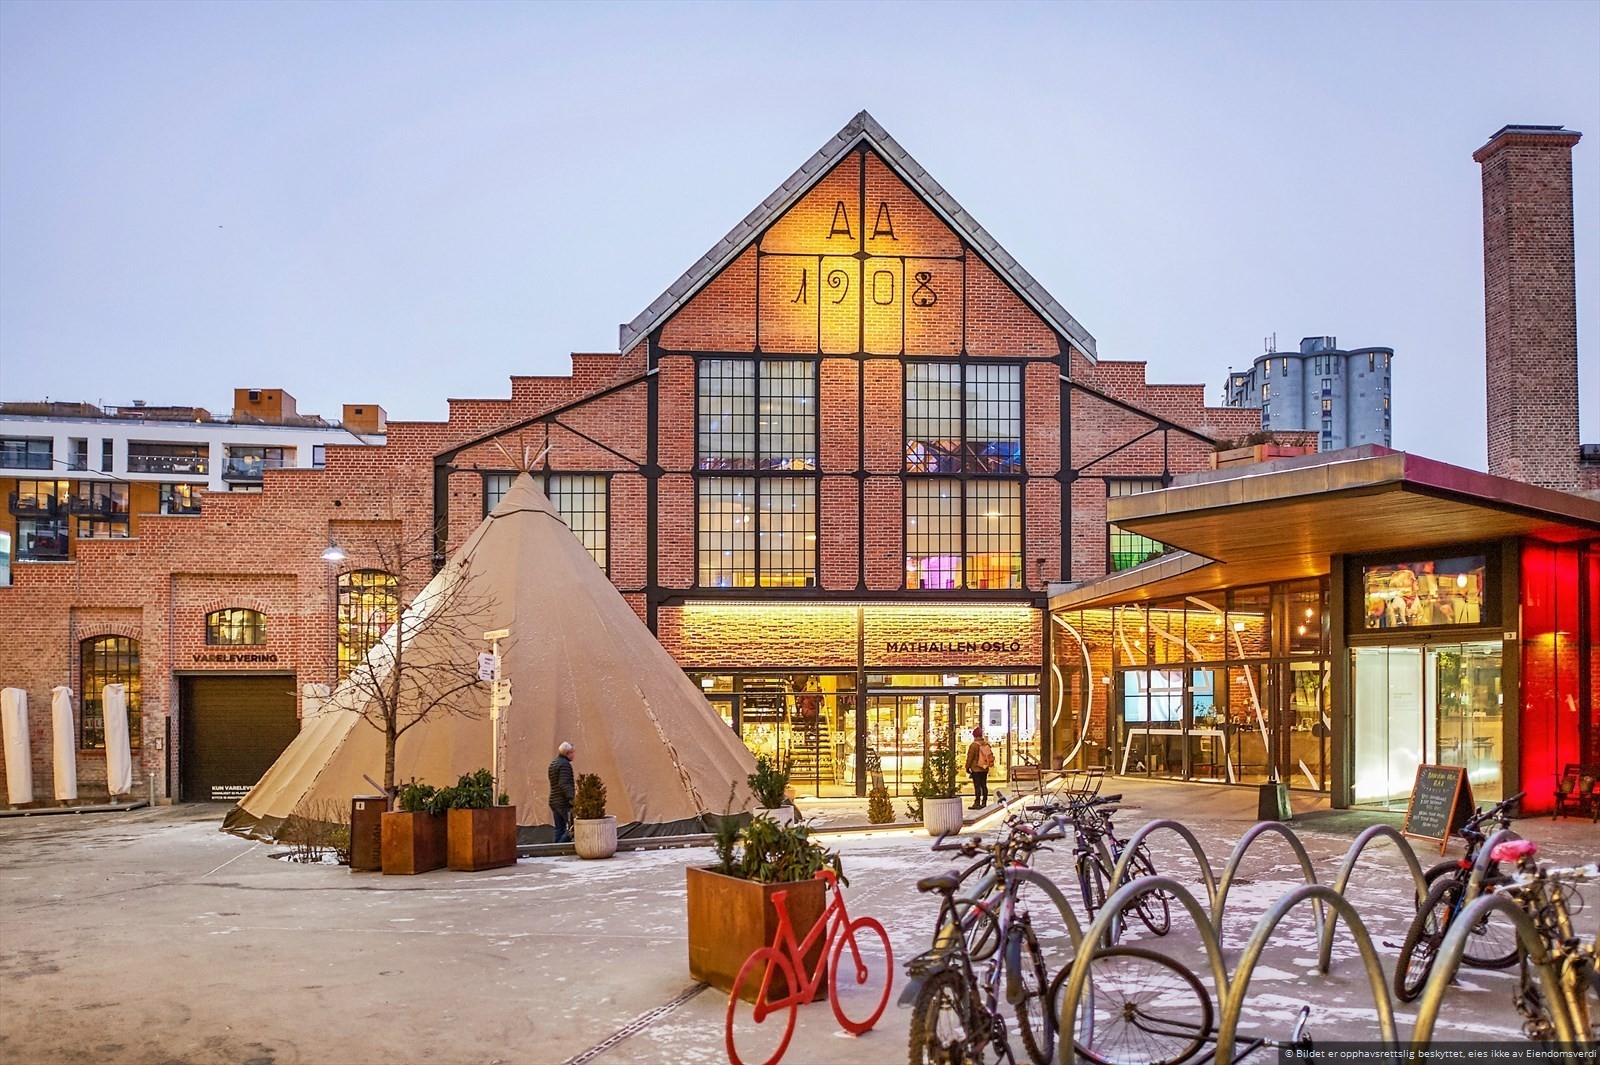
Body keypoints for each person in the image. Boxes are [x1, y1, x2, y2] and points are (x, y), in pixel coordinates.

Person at [548, 741, 575, 844]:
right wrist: (572, 798)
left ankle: (555, 850)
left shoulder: (553, 763)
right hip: (562, 802)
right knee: (572, 828)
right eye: (572, 752)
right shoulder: (565, 765)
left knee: (559, 828)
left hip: (553, 800)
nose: (573, 754)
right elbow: (564, 784)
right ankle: (560, 846)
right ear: (568, 753)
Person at [965, 727, 995, 809]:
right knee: (984, 785)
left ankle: (977, 802)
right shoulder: (986, 744)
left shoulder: (973, 745)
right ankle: (984, 802)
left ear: (974, 735)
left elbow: (970, 758)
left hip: (976, 768)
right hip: (984, 768)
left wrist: (967, 767)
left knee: (977, 786)